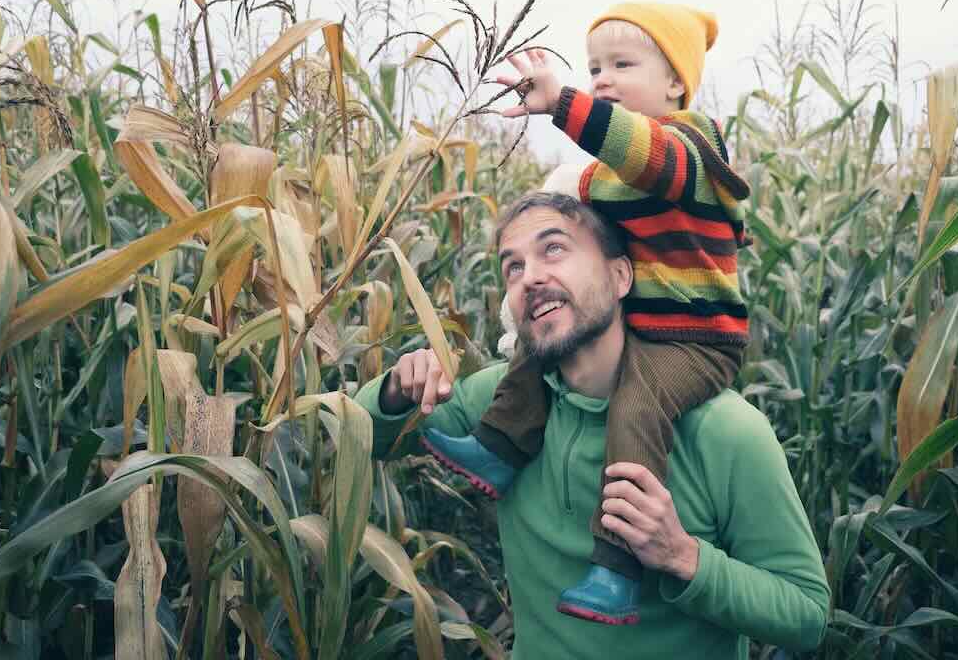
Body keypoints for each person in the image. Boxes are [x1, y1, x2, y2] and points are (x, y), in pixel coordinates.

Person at [353, 191, 829, 659]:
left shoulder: (725, 430)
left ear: (621, 276)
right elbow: (361, 435)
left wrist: (683, 556)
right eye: (513, 267)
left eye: (553, 249)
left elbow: (807, 614)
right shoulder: (499, 404)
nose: (530, 277)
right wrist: (396, 390)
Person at [420, 3, 752, 624]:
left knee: (638, 404)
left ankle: (618, 565)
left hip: (698, 338)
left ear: (675, 83)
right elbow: (570, 219)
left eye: (623, 65)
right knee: (543, 334)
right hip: (643, 324)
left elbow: (645, 155)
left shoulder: (691, 146)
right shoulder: (607, 176)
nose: (603, 78)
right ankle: (499, 447)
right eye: (595, 68)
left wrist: (562, 102)